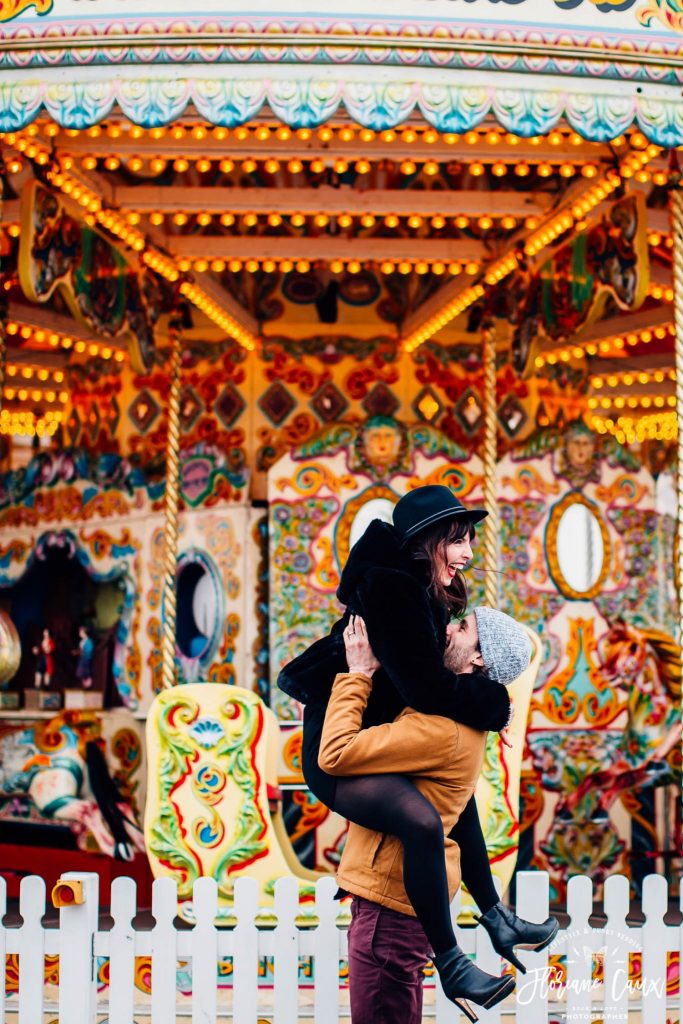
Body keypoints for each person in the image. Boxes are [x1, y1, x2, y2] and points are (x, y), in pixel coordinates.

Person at [278, 485, 558, 1010]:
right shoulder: (391, 588)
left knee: (459, 804)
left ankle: (495, 916)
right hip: (331, 750)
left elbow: (427, 685)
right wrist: (494, 704)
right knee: (424, 820)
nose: (469, 554)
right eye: (458, 541)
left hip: (366, 726)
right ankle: (451, 961)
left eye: (470, 541)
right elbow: (426, 688)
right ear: (427, 541)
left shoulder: (432, 593)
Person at [319, 613, 531, 1024]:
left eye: (464, 628)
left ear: (479, 659)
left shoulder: (441, 728)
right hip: (397, 902)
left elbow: (335, 753)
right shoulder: (462, 717)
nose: (449, 629)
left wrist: (358, 675)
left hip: (387, 908)